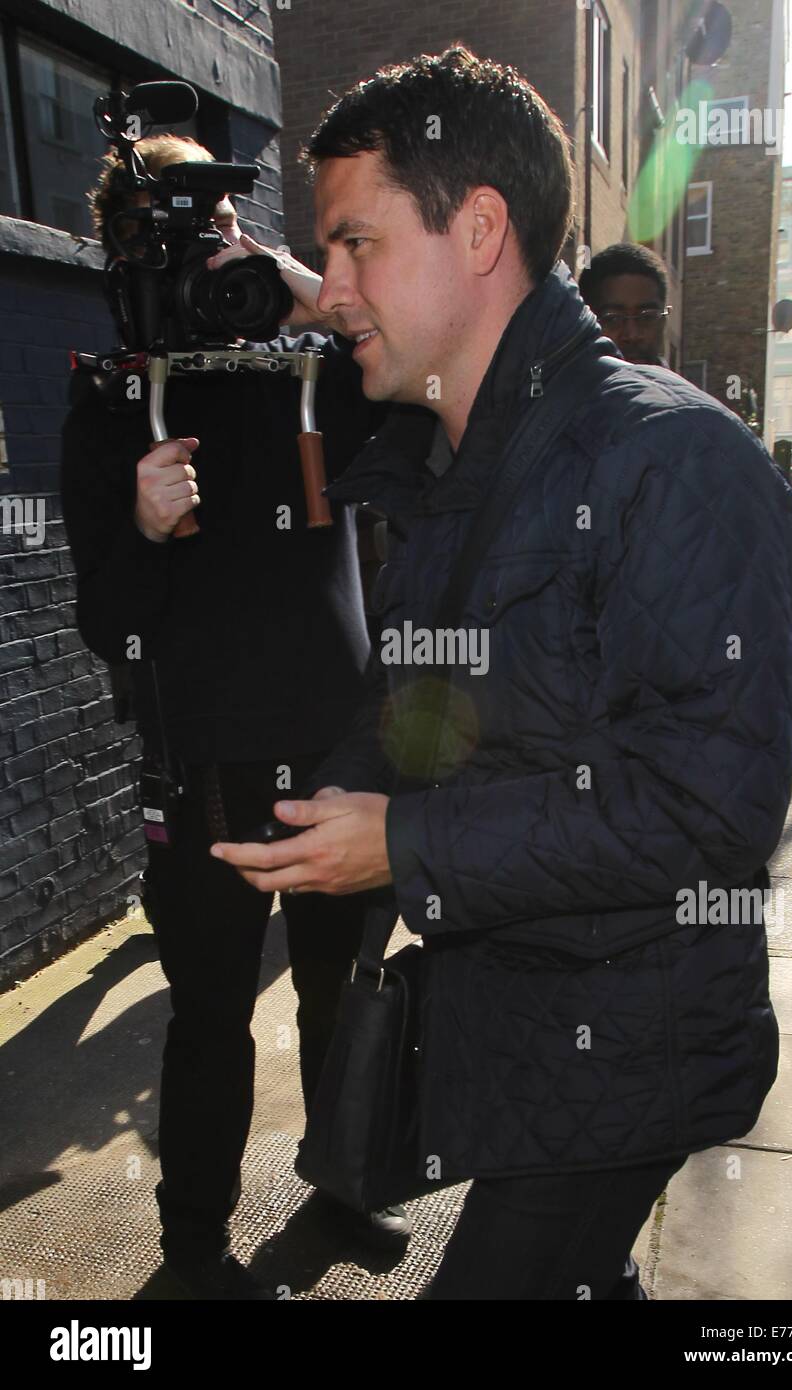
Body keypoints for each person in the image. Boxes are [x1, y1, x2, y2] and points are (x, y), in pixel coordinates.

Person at [213, 47, 792, 1301]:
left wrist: (408, 845)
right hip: (518, 1029)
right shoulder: (442, 464)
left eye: (358, 243)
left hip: (629, 1053)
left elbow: (706, 810)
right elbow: (432, 717)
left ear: (478, 229)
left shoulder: (672, 463)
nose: (329, 291)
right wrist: (312, 810)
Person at [61, 135, 407, 1302]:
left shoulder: (311, 370)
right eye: (177, 236)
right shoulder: (113, 401)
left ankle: (343, 1186)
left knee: (340, 1002)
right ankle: (193, 1251)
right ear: (126, 254)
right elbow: (107, 621)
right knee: (209, 1020)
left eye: (223, 226)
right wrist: (148, 534)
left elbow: (434, 385)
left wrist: (310, 289)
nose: (210, 260)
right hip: (202, 770)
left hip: (335, 754)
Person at [579, 241, 672, 366]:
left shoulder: (682, 386)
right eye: (613, 319)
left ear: (663, 322)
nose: (632, 335)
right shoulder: (557, 384)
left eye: (646, 317)